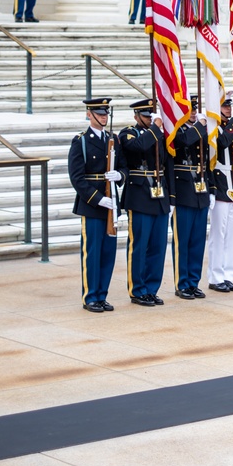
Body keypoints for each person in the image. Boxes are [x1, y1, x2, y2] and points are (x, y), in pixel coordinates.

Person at [68, 97, 126, 313]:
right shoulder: (81, 141)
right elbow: (77, 178)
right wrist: (98, 198)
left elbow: (124, 168)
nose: (104, 117)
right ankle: (90, 296)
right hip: (92, 205)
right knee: (92, 252)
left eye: (105, 114)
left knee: (108, 252)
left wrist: (119, 175)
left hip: (111, 204)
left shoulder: (114, 139)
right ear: (89, 115)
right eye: (99, 113)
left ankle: (102, 295)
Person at [119, 98, 174, 307]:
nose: (150, 120)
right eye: (146, 116)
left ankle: (152, 288)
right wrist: (156, 129)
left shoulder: (159, 134)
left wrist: (171, 196)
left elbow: (167, 163)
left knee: (157, 247)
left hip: (159, 195)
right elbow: (138, 147)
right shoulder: (128, 133)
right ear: (136, 117)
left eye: (152, 116)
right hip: (140, 195)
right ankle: (137, 289)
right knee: (139, 246)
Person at [170, 96, 210, 300]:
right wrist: (201, 126)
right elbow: (184, 141)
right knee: (183, 240)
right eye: (189, 110)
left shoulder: (200, 128)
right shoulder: (176, 129)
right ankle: (182, 282)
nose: (193, 113)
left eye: (195, 109)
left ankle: (193, 281)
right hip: (184, 191)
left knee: (197, 241)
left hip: (201, 191)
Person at [207, 98, 233, 293]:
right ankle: (215, 276)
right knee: (218, 234)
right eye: (224, 106)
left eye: (230, 106)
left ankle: (228, 275)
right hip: (221, 184)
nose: (228, 109)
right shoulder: (216, 126)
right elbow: (222, 142)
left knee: (232, 235)